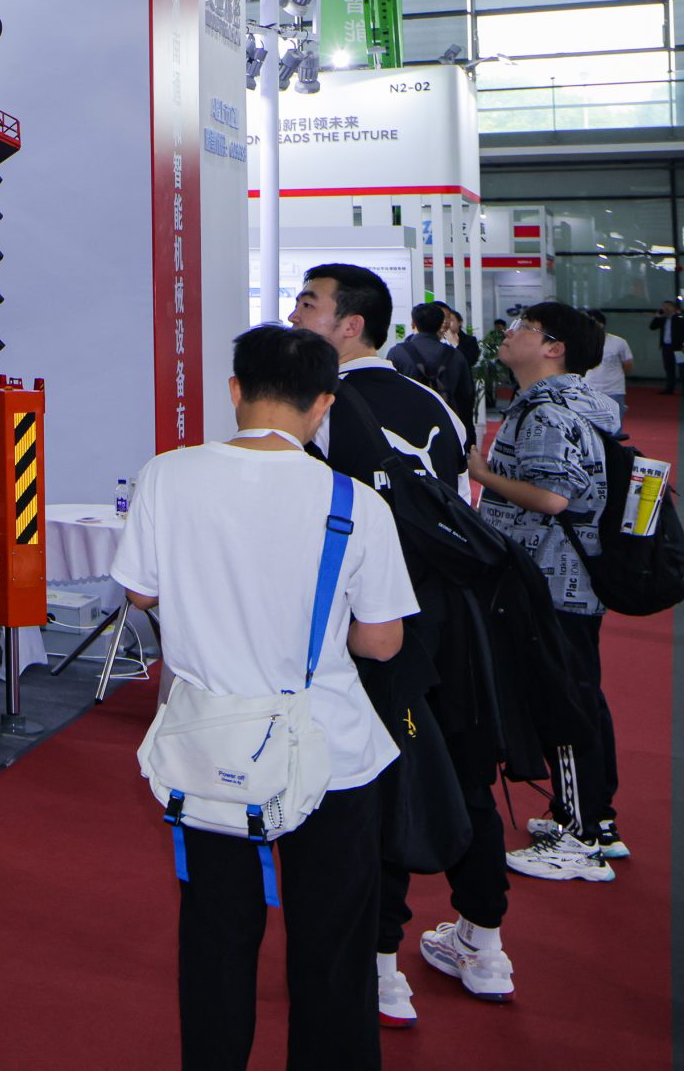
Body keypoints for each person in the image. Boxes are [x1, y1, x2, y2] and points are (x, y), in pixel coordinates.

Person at [114, 324, 415, 1071]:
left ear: (235, 390)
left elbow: (140, 592)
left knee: (215, 938)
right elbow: (382, 641)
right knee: (334, 948)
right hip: (330, 752)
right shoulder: (354, 500)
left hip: (210, 747)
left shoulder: (167, 475)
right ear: (324, 403)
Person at [290, 265, 505, 1023]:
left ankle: (381, 964)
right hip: (450, 615)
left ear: (350, 325)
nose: (295, 313)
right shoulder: (436, 403)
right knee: (461, 769)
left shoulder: (320, 408)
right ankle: (485, 942)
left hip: (371, 623)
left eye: (308, 303)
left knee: (376, 779)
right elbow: (458, 502)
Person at [470, 302, 624, 879]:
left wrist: (483, 476)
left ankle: (579, 838)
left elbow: (553, 497)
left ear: (554, 348)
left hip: (551, 579)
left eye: (524, 328)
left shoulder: (546, 412)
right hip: (572, 579)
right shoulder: (580, 404)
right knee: (580, 696)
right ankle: (595, 821)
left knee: (563, 703)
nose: (509, 335)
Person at [389, 302, 478, 436]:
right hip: (446, 426)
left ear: (413, 323)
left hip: (407, 427)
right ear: (440, 324)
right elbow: (467, 393)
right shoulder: (456, 356)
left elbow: (390, 393)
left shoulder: (397, 352)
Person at [579, 310, 630, 430]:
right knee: (588, 426)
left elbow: (628, 364)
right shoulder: (581, 342)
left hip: (614, 389)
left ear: (601, 324)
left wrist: (617, 377)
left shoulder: (618, 342)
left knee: (614, 426)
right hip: (588, 388)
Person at [656, 298, 682, 394]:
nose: (665, 309)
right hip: (667, 346)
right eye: (664, 307)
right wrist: (657, 317)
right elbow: (652, 327)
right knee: (669, 368)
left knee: (681, 368)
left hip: (679, 347)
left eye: (667, 306)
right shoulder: (663, 319)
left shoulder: (679, 318)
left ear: (673, 308)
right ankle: (669, 388)